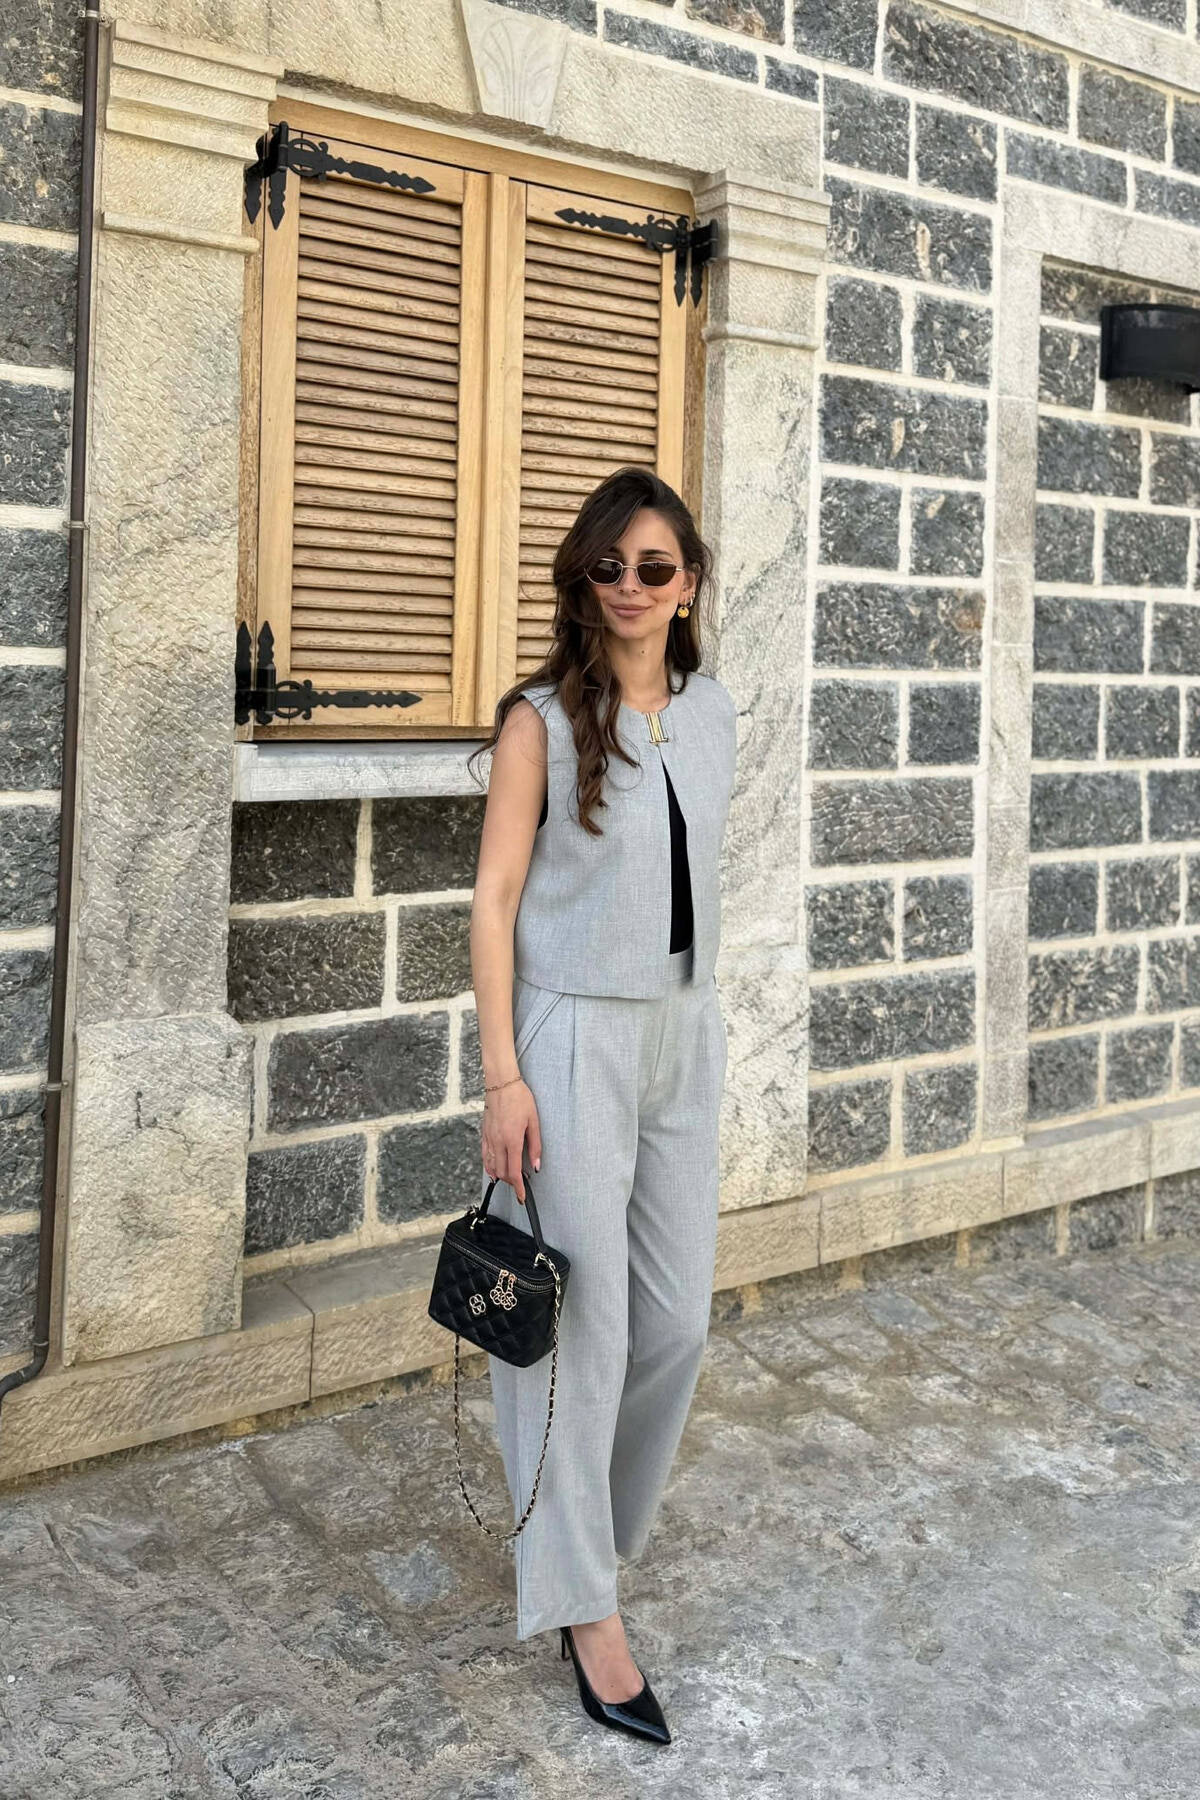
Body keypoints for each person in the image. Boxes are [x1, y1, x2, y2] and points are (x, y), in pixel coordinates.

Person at [466, 463, 737, 1745]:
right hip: (571, 1037)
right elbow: (494, 902)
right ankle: (586, 1604)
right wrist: (502, 1075)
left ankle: (588, 1539)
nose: (631, 585)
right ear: (582, 579)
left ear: (688, 584)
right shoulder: (540, 722)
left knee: (674, 1320)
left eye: (655, 567)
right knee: (581, 1332)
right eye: (609, 565)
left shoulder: (713, 711)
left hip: (686, 1031)